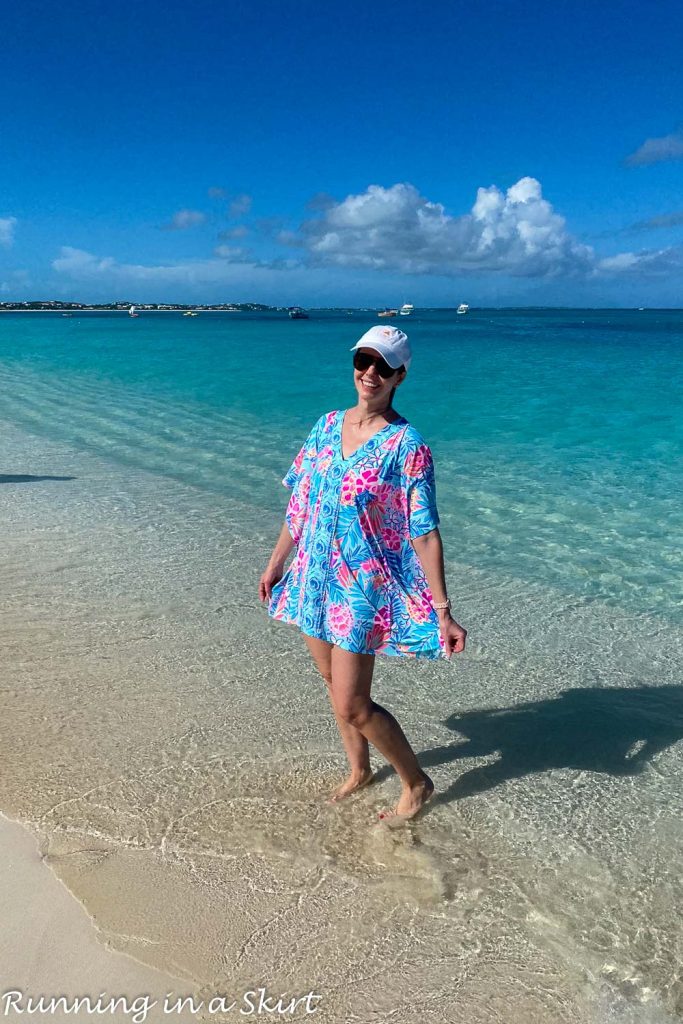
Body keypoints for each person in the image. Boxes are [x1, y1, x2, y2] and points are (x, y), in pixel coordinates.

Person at [258, 325, 467, 823]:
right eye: (363, 361)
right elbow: (300, 504)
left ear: (400, 376)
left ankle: (417, 783)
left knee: (353, 703)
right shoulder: (326, 425)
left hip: (361, 590)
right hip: (313, 578)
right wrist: (275, 564)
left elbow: (424, 531)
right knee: (333, 685)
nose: (370, 373)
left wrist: (444, 611)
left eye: (383, 366)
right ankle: (360, 771)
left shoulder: (407, 445)